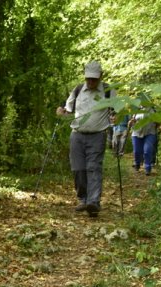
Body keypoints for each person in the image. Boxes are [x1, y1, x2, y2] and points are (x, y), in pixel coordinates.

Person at [56, 61, 115, 218]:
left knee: (93, 167)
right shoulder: (78, 90)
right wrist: (61, 112)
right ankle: (83, 199)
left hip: (98, 135)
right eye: (88, 78)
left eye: (94, 79)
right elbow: (67, 109)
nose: (91, 82)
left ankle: (94, 202)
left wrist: (116, 117)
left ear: (101, 76)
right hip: (77, 135)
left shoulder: (108, 91)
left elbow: (117, 110)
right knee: (78, 169)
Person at [129, 107, 159, 176]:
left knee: (147, 150)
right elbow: (130, 123)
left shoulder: (154, 110)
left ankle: (148, 168)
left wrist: (158, 125)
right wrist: (130, 123)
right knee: (137, 151)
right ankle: (137, 163)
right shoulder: (136, 109)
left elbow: (158, 123)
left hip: (150, 133)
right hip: (136, 133)